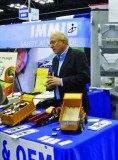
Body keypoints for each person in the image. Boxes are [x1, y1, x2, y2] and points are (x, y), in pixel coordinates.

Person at [46, 32, 90, 114]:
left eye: (53, 42)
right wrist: (51, 85)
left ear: (63, 42)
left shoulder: (78, 55)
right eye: (50, 43)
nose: (51, 46)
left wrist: (61, 81)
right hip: (59, 104)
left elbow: (85, 77)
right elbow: (57, 80)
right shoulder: (55, 60)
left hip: (75, 104)